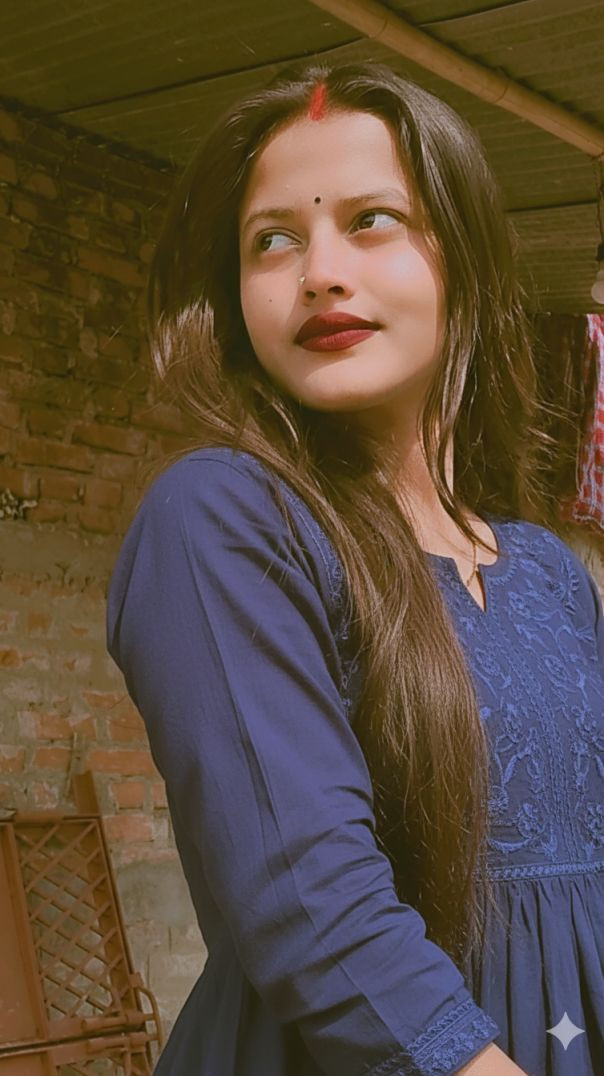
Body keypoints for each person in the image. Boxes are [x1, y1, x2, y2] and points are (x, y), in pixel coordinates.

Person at [106, 59, 604, 1076]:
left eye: (371, 220)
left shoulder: (549, 569)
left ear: (464, 259)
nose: (320, 271)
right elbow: (308, 899)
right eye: (272, 239)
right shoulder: (226, 515)